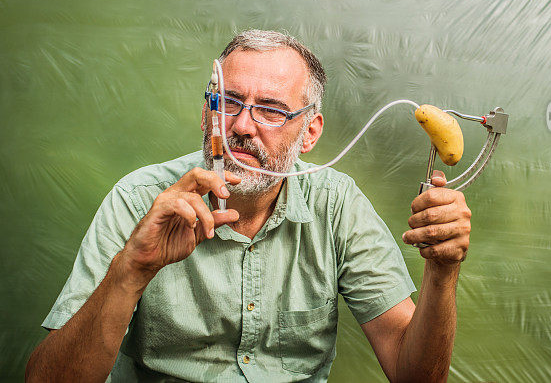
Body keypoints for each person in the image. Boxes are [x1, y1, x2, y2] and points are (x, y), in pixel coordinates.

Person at [26, 30, 472, 382]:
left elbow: (415, 376)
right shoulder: (138, 200)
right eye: (229, 102)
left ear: (310, 133)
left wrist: (443, 271)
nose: (241, 126)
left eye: (271, 111)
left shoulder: (336, 204)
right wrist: (131, 270)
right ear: (206, 115)